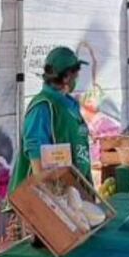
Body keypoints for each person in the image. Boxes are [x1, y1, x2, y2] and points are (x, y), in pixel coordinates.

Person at [9, 46, 91, 192]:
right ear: (66, 77)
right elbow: (37, 162)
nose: (77, 78)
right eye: (76, 74)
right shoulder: (42, 108)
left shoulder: (69, 103)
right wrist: (54, 201)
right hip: (43, 201)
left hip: (72, 191)